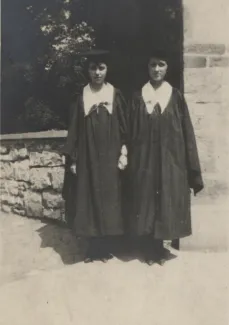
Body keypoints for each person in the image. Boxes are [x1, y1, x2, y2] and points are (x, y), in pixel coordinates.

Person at [128, 48, 204, 266]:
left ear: (167, 67)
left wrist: (189, 164)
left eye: (161, 64)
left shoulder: (176, 96)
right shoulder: (138, 97)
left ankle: (160, 248)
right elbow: (131, 132)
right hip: (145, 161)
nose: (157, 69)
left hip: (171, 161)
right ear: (147, 68)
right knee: (148, 201)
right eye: (153, 65)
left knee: (167, 200)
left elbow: (186, 131)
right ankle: (150, 248)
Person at [62, 49, 128, 263]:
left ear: (107, 69)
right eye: (93, 68)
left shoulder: (115, 95)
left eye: (101, 68)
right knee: (88, 197)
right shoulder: (81, 96)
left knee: (109, 197)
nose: (97, 73)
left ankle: (107, 246)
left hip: (110, 155)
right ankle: (93, 248)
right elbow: (73, 129)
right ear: (87, 70)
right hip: (88, 156)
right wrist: (72, 158)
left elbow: (124, 127)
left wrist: (124, 152)